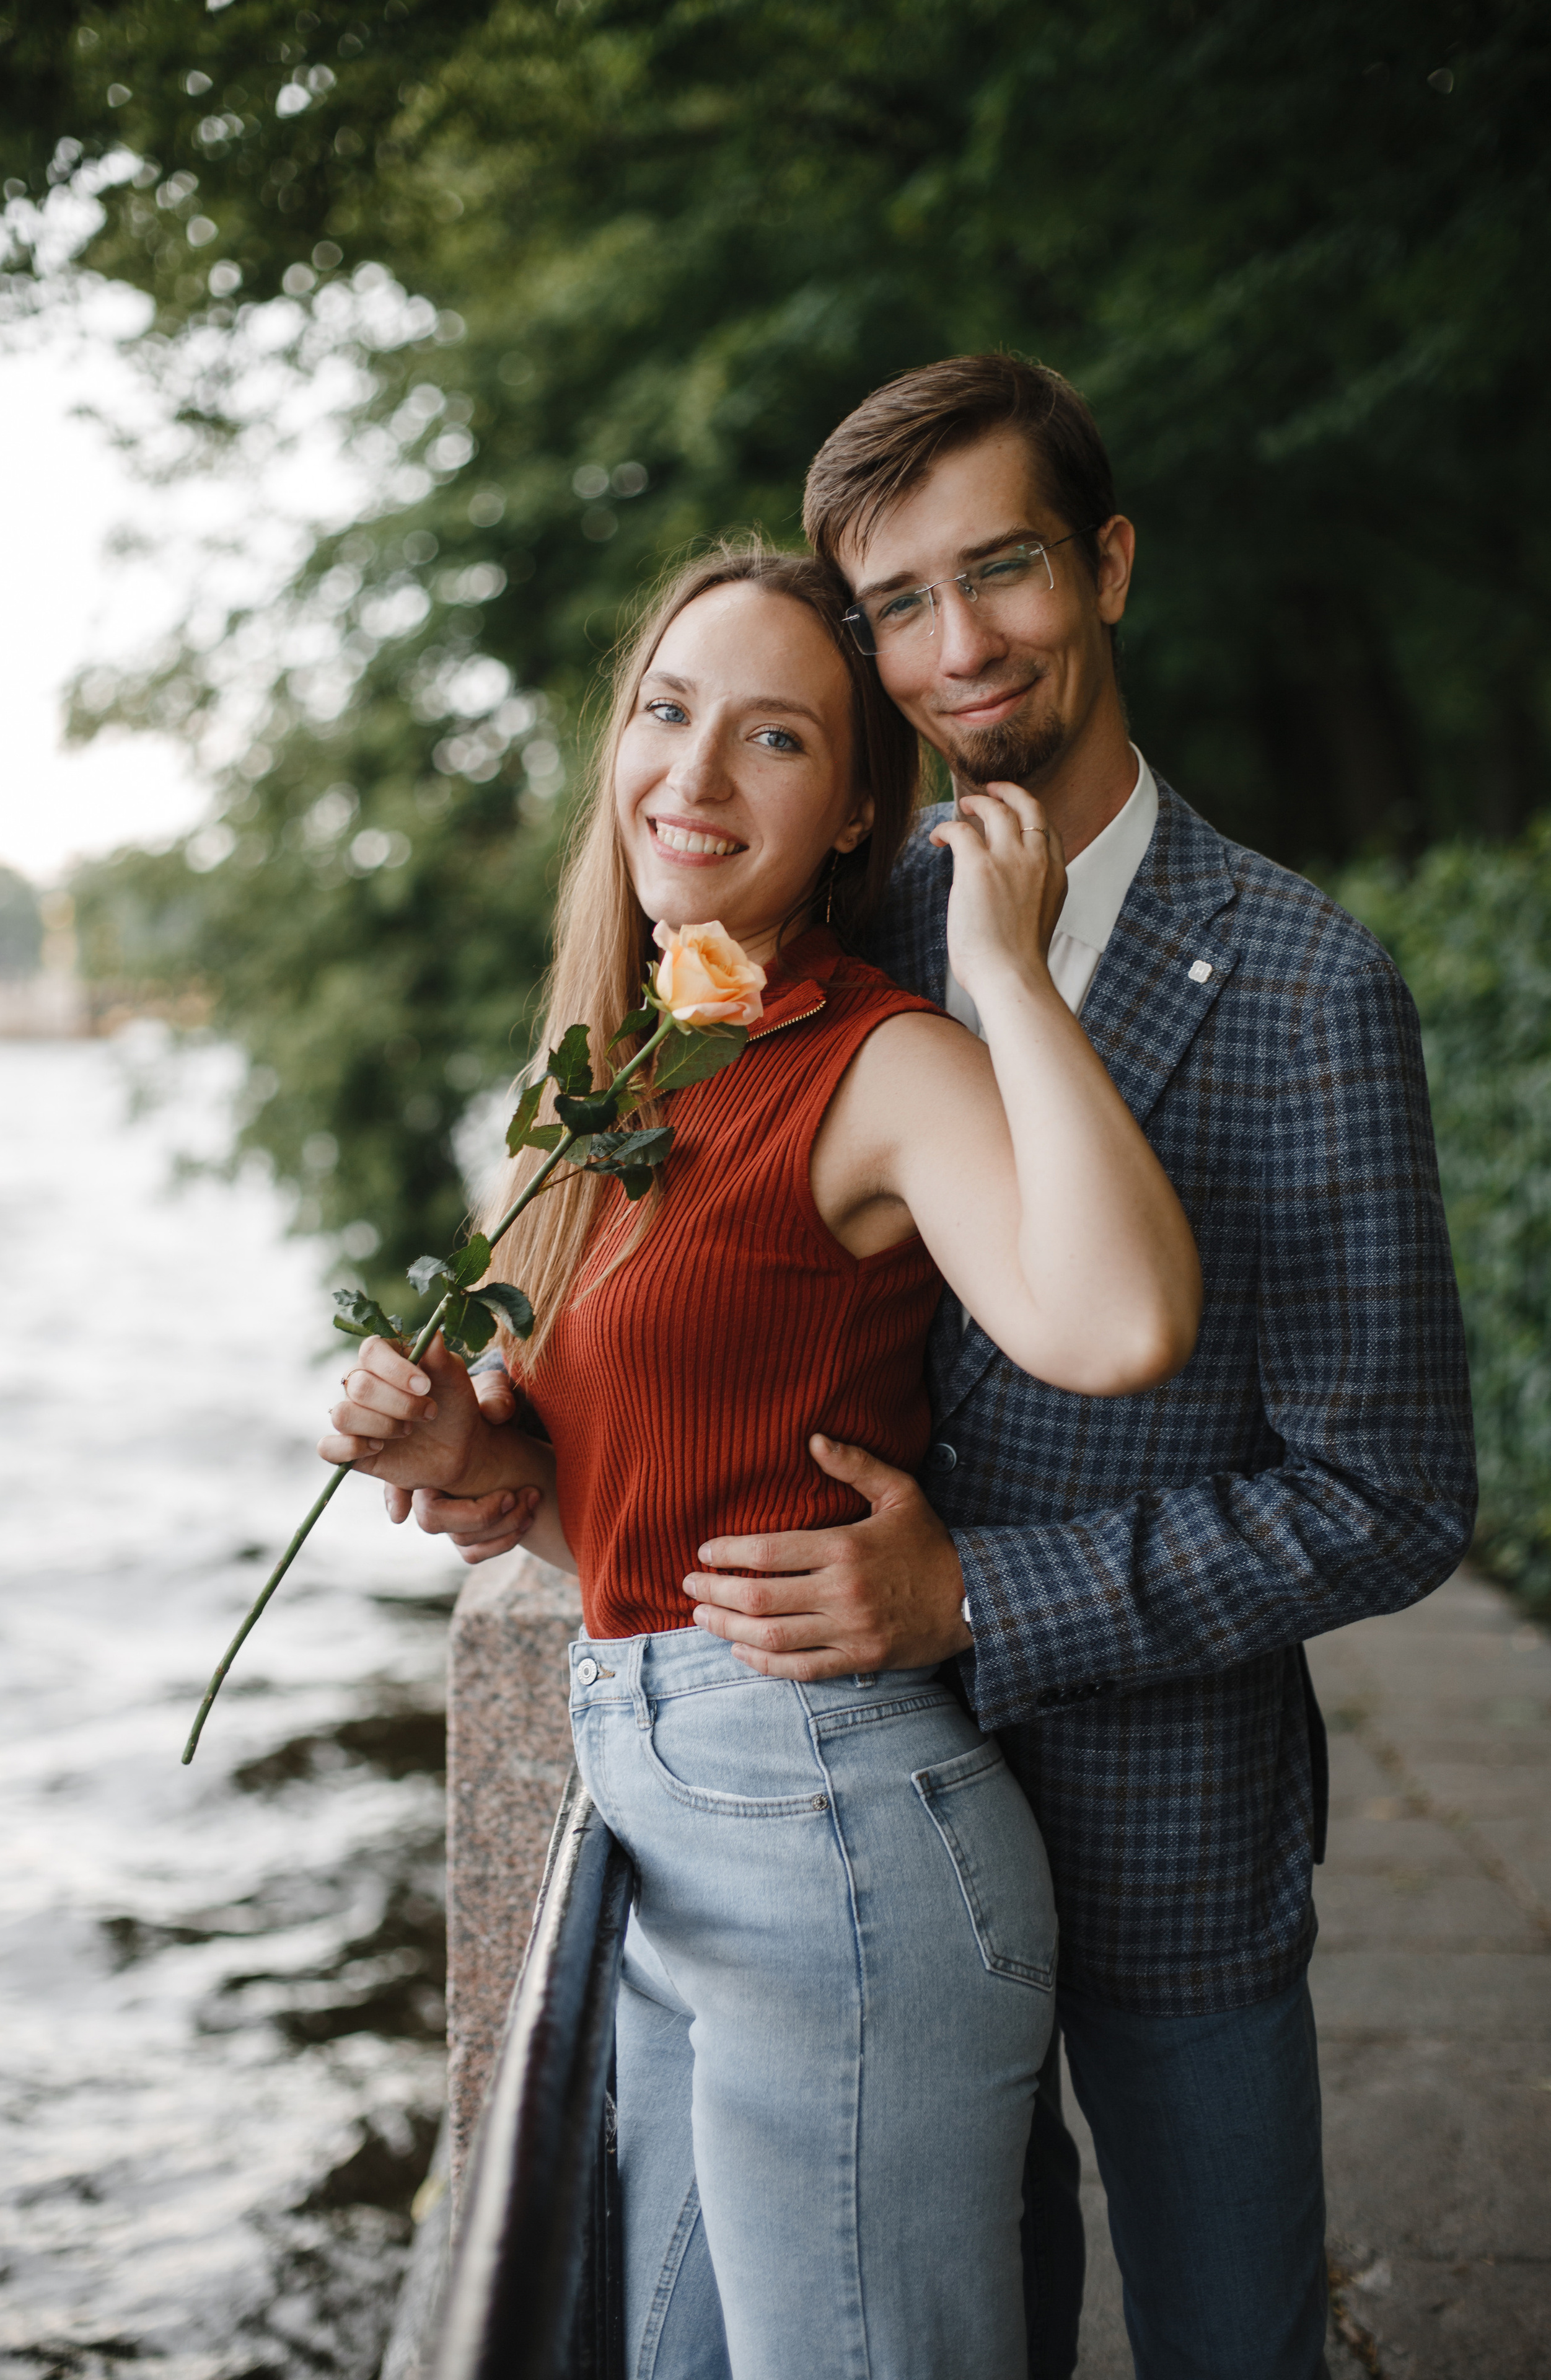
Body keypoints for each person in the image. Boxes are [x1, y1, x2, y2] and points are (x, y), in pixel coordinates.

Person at [423, 358, 1479, 2380]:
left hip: (1169, 1831)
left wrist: (977, 1591)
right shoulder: (827, 919)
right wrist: (494, 1447)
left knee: (1226, 2343)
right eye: (898, 601)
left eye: (999, 570)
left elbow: (1394, 1494)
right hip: (850, 1832)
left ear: (1109, 566)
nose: (956, 639)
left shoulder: (1308, 982)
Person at [323, 539, 1202, 2378]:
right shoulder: (594, 1082)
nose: (695, 775)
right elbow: (554, 1509)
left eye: (775, 739)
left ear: (854, 806)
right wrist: (446, 1431)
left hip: (832, 1840)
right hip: (667, 1822)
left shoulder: (877, 1064)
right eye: (667, 712)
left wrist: (1006, 973)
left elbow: (1117, 1328)